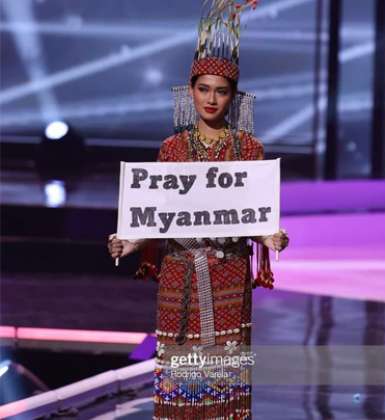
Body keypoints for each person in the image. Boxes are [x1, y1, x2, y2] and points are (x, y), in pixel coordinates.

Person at [107, 2, 288, 418]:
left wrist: (271, 236)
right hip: (178, 270)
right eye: (203, 89)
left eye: (221, 91)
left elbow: (253, 216)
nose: (211, 98)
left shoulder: (249, 149)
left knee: (223, 374)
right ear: (190, 91)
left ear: (232, 96)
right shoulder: (171, 150)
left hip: (228, 271)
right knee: (180, 373)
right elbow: (157, 217)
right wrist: (128, 244)